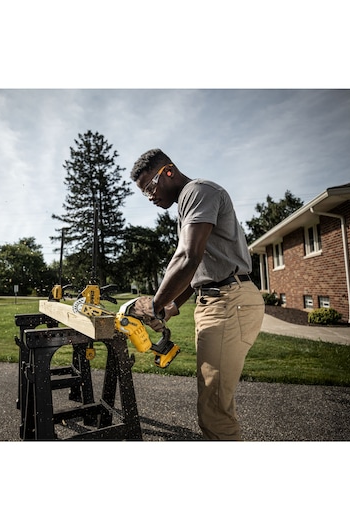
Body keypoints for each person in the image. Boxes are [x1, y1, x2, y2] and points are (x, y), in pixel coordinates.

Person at [129, 148, 264, 441]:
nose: (150, 197)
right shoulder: (187, 206)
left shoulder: (197, 191)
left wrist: (154, 305)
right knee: (214, 401)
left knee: (214, 411)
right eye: (144, 194)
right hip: (217, 300)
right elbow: (196, 270)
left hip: (228, 301)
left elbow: (188, 257)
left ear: (168, 171)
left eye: (150, 187)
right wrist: (171, 307)